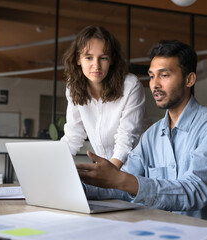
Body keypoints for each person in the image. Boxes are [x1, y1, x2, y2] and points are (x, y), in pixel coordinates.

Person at [76, 40, 207, 228]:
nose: (155, 84)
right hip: (165, 230)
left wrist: (122, 180)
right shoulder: (151, 136)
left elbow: (196, 190)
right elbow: (122, 185)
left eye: (164, 75)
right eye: (151, 76)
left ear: (189, 79)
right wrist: (78, 186)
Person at [61, 26, 147, 169]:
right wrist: (56, 167)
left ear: (112, 59)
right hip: (107, 168)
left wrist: (108, 174)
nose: (96, 65)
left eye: (103, 58)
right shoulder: (73, 87)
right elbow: (73, 134)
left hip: (137, 167)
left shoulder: (130, 85)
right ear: (78, 59)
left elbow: (126, 139)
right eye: (88, 57)